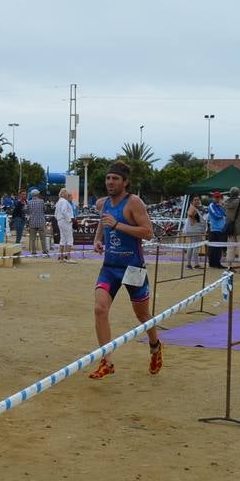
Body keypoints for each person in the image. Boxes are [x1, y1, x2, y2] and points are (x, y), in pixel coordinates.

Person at [89, 161, 162, 380]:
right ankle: (106, 360)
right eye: (108, 178)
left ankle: (155, 346)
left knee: (142, 315)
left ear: (125, 182)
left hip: (133, 268)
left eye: (115, 179)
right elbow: (104, 220)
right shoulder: (103, 203)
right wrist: (97, 239)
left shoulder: (134, 203)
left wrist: (117, 225)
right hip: (110, 267)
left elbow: (148, 232)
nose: (110, 182)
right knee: (100, 309)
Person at [222, 186, 240, 269]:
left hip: (230, 228)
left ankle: (229, 265)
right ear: (238, 194)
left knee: (230, 248)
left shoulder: (227, 202)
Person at [182, 195, 206, 269]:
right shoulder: (192, 208)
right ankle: (196, 264)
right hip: (195, 231)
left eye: (198, 200)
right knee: (195, 246)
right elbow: (189, 214)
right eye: (195, 200)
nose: (197, 201)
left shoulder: (194, 208)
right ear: (192, 201)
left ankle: (189, 264)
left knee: (191, 246)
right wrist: (193, 221)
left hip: (193, 230)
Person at [25, 188, 49, 257]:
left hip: (32, 222)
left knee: (33, 239)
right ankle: (44, 252)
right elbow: (45, 209)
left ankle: (33, 252)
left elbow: (27, 211)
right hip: (41, 222)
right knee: (43, 238)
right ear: (37, 194)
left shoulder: (29, 202)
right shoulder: (41, 201)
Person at [206, 191, 227, 268]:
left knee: (219, 248)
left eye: (219, 197)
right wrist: (222, 212)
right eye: (216, 197)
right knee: (213, 247)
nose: (218, 199)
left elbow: (226, 213)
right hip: (214, 229)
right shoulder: (211, 205)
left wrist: (222, 208)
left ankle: (217, 263)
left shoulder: (220, 206)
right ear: (213, 198)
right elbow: (216, 215)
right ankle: (212, 263)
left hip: (221, 229)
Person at [55, 190, 76, 262]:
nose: (67, 194)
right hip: (65, 221)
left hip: (60, 221)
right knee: (70, 239)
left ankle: (61, 258)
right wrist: (69, 219)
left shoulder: (58, 202)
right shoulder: (64, 201)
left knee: (63, 239)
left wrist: (59, 219)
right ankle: (68, 258)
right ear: (63, 194)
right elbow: (64, 211)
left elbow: (55, 214)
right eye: (66, 193)